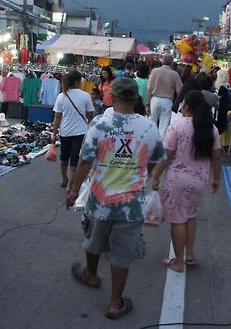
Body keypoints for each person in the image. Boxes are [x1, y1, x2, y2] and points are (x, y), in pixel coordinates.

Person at [66, 78, 165, 320]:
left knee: (94, 238)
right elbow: (155, 159)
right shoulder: (149, 127)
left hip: (100, 200)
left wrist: (72, 190)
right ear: (134, 98)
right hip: (130, 205)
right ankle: (114, 303)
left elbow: (84, 161)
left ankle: (91, 275)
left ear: (112, 96)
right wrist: (143, 174)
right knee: (122, 254)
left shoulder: (100, 123)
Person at [151, 90, 221, 273]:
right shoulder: (211, 128)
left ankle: (178, 262)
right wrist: (216, 178)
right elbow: (216, 158)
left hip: (177, 181)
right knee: (190, 216)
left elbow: (166, 156)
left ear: (187, 107)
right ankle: (189, 254)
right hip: (199, 182)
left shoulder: (178, 126)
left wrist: (156, 175)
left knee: (177, 220)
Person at [52, 70, 94, 188]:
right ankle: (71, 185)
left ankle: (64, 179)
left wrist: (54, 133)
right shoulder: (85, 96)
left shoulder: (61, 96)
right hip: (80, 132)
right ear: (77, 81)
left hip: (65, 131)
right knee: (75, 159)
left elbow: (57, 116)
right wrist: (92, 130)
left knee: (64, 157)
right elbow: (90, 116)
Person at [147, 54, 183, 137]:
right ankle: (161, 145)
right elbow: (180, 91)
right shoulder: (174, 74)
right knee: (164, 126)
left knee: (152, 123)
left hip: (154, 99)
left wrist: (147, 104)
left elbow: (149, 89)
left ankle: (151, 141)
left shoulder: (155, 71)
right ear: (171, 63)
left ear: (162, 61)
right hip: (167, 101)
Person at [215, 69, 230, 135]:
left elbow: (218, 100)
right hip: (224, 110)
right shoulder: (227, 87)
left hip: (220, 110)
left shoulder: (222, 88)